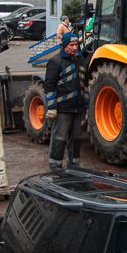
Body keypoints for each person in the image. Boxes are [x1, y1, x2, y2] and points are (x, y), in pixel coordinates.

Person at [44, 33, 87, 170]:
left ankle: (74, 163)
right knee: (60, 137)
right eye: (71, 45)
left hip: (77, 108)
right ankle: (55, 164)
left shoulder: (80, 60)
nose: (75, 48)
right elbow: (49, 86)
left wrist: (85, 105)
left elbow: (83, 84)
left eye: (76, 45)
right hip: (62, 109)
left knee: (76, 137)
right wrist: (52, 107)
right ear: (64, 46)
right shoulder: (55, 62)